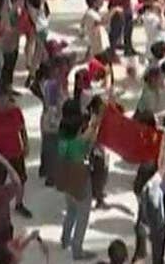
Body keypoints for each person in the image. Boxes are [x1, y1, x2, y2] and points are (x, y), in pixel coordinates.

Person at [55, 99, 105, 260]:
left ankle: (65, 239)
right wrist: (95, 121)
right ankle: (77, 249)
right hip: (81, 179)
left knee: (71, 210)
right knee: (83, 215)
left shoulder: (62, 138)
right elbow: (91, 133)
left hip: (66, 177)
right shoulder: (79, 142)